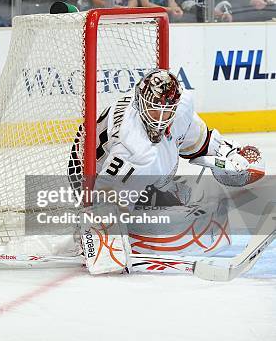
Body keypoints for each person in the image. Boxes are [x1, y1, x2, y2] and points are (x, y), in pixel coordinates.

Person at [75, 69, 266, 274]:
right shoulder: (133, 148)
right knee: (135, 216)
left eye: (167, 110)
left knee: (178, 195)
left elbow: (201, 143)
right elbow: (104, 200)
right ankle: (116, 236)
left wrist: (228, 155)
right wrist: (103, 245)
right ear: (140, 103)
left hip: (119, 163)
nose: (160, 118)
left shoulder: (179, 108)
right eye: (154, 109)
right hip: (86, 170)